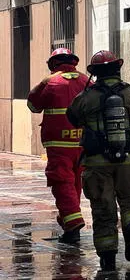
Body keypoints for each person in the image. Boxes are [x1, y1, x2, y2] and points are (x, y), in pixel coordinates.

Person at [66, 50, 130, 272]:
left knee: (103, 211)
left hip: (97, 164)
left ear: (95, 73)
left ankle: (107, 259)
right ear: (117, 69)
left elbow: (73, 118)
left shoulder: (85, 98)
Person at [27, 48, 90, 244]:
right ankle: (69, 224)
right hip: (83, 143)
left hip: (59, 145)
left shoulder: (51, 82)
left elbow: (33, 105)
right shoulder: (86, 81)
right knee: (75, 184)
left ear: (53, 64)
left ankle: (74, 220)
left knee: (61, 182)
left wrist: (42, 83)